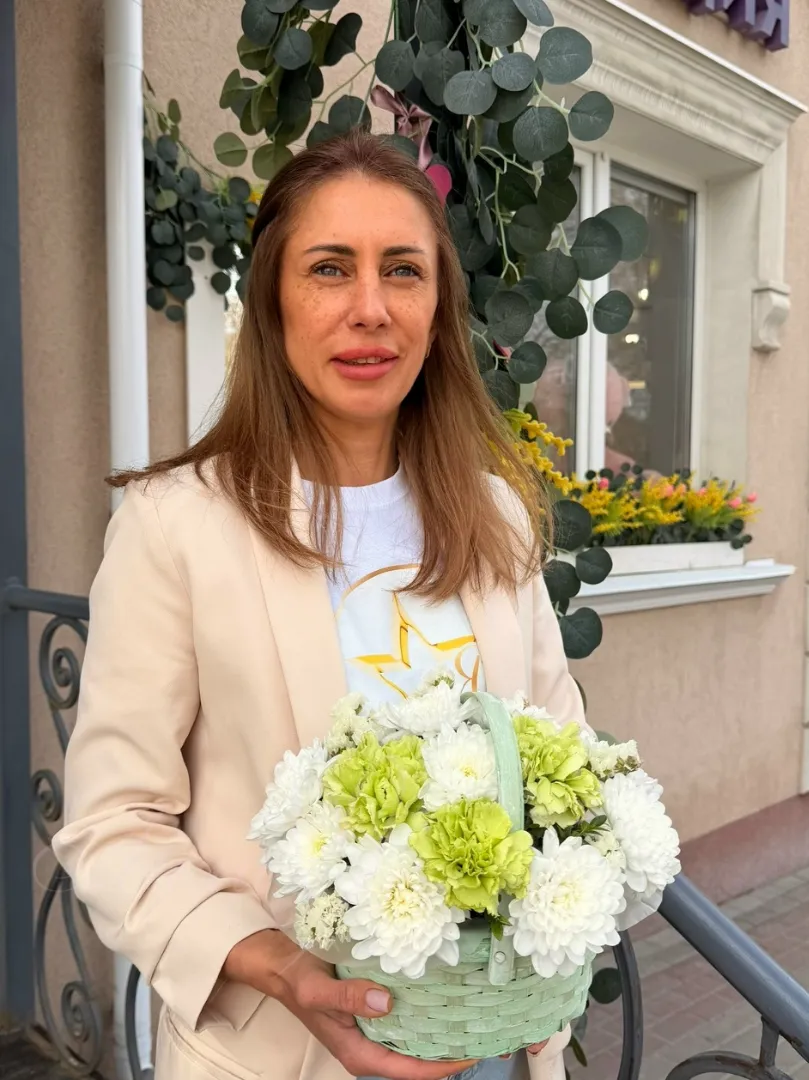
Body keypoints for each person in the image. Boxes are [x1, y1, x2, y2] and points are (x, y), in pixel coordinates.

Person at [53, 131, 586, 1080]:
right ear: (271, 302)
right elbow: (114, 822)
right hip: (273, 1053)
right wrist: (283, 967)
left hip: (490, 1047)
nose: (370, 308)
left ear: (438, 310)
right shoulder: (177, 525)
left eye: (403, 271)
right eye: (329, 268)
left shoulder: (495, 515)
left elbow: (559, 761)